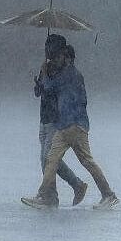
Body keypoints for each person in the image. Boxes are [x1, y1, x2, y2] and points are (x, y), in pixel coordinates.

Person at [22, 45, 119, 209]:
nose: (56, 60)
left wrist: (44, 72)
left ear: (68, 58)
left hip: (75, 125)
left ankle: (108, 194)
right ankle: (45, 195)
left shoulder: (69, 75)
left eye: (59, 57)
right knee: (51, 160)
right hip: (65, 126)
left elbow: (49, 87)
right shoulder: (71, 74)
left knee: (85, 161)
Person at [32, 34, 87, 206]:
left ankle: (50, 195)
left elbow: (55, 91)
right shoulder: (46, 67)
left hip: (57, 119)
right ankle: (73, 186)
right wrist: (38, 85)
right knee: (49, 159)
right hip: (45, 118)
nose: (48, 52)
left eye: (51, 48)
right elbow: (40, 92)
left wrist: (46, 83)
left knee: (47, 159)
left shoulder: (63, 71)